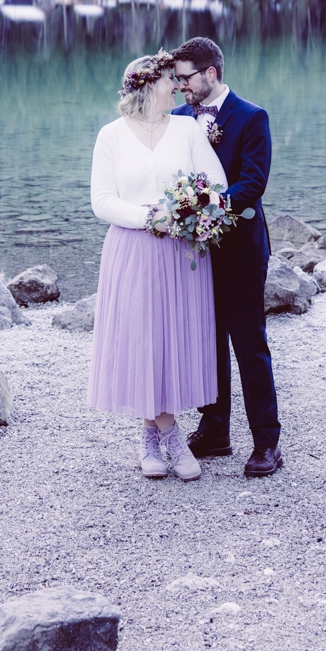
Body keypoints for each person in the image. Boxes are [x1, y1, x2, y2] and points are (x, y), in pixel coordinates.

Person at [87, 50, 226, 481]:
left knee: (170, 341)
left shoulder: (186, 129)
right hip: (131, 251)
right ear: (149, 86)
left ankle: (150, 436)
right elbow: (102, 202)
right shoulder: (110, 136)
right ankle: (171, 437)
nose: (179, 87)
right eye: (171, 79)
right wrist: (150, 217)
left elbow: (216, 186)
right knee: (143, 340)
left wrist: (188, 212)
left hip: (180, 253)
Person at [170, 36, 282, 477]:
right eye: (176, 80)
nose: (180, 87)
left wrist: (205, 210)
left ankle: (267, 443)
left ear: (210, 73)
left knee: (249, 345)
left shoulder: (252, 117)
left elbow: (252, 183)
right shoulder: (179, 119)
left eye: (185, 78)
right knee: (206, 342)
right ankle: (215, 430)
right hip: (194, 252)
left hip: (240, 251)